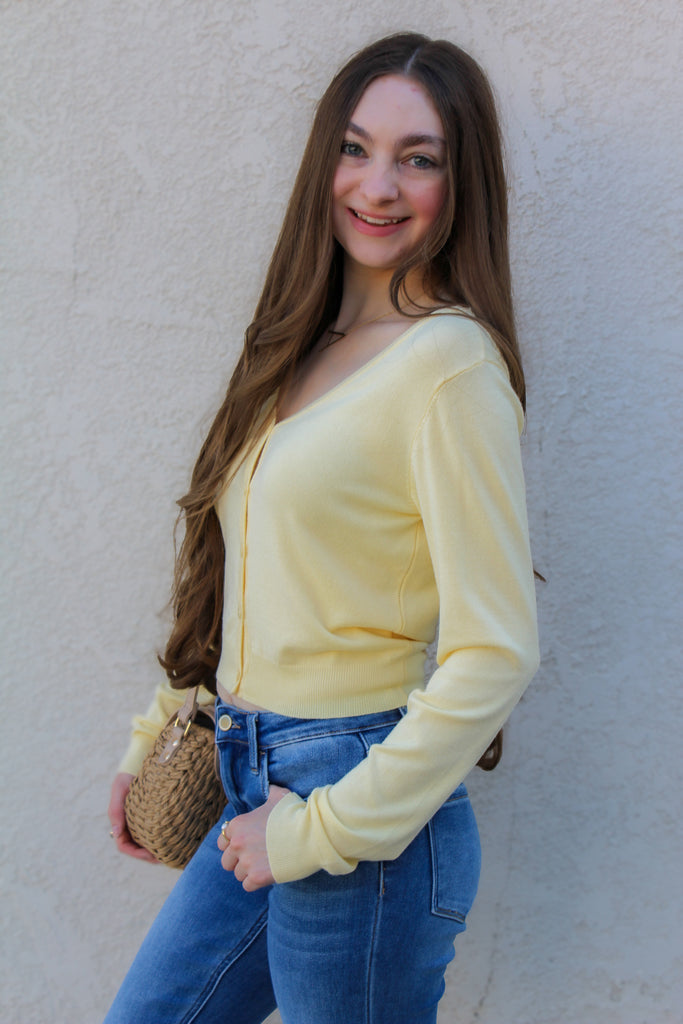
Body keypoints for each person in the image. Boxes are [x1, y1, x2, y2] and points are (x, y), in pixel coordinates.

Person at [105, 31, 539, 1024]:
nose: (377, 186)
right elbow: (245, 575)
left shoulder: (449, 368)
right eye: (354, 148)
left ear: (459, 182)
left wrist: (320, 830)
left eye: (417, 158)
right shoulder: (299, 346)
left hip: (354, 811)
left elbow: (496, 649)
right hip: (251, 779)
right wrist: (156, 733)